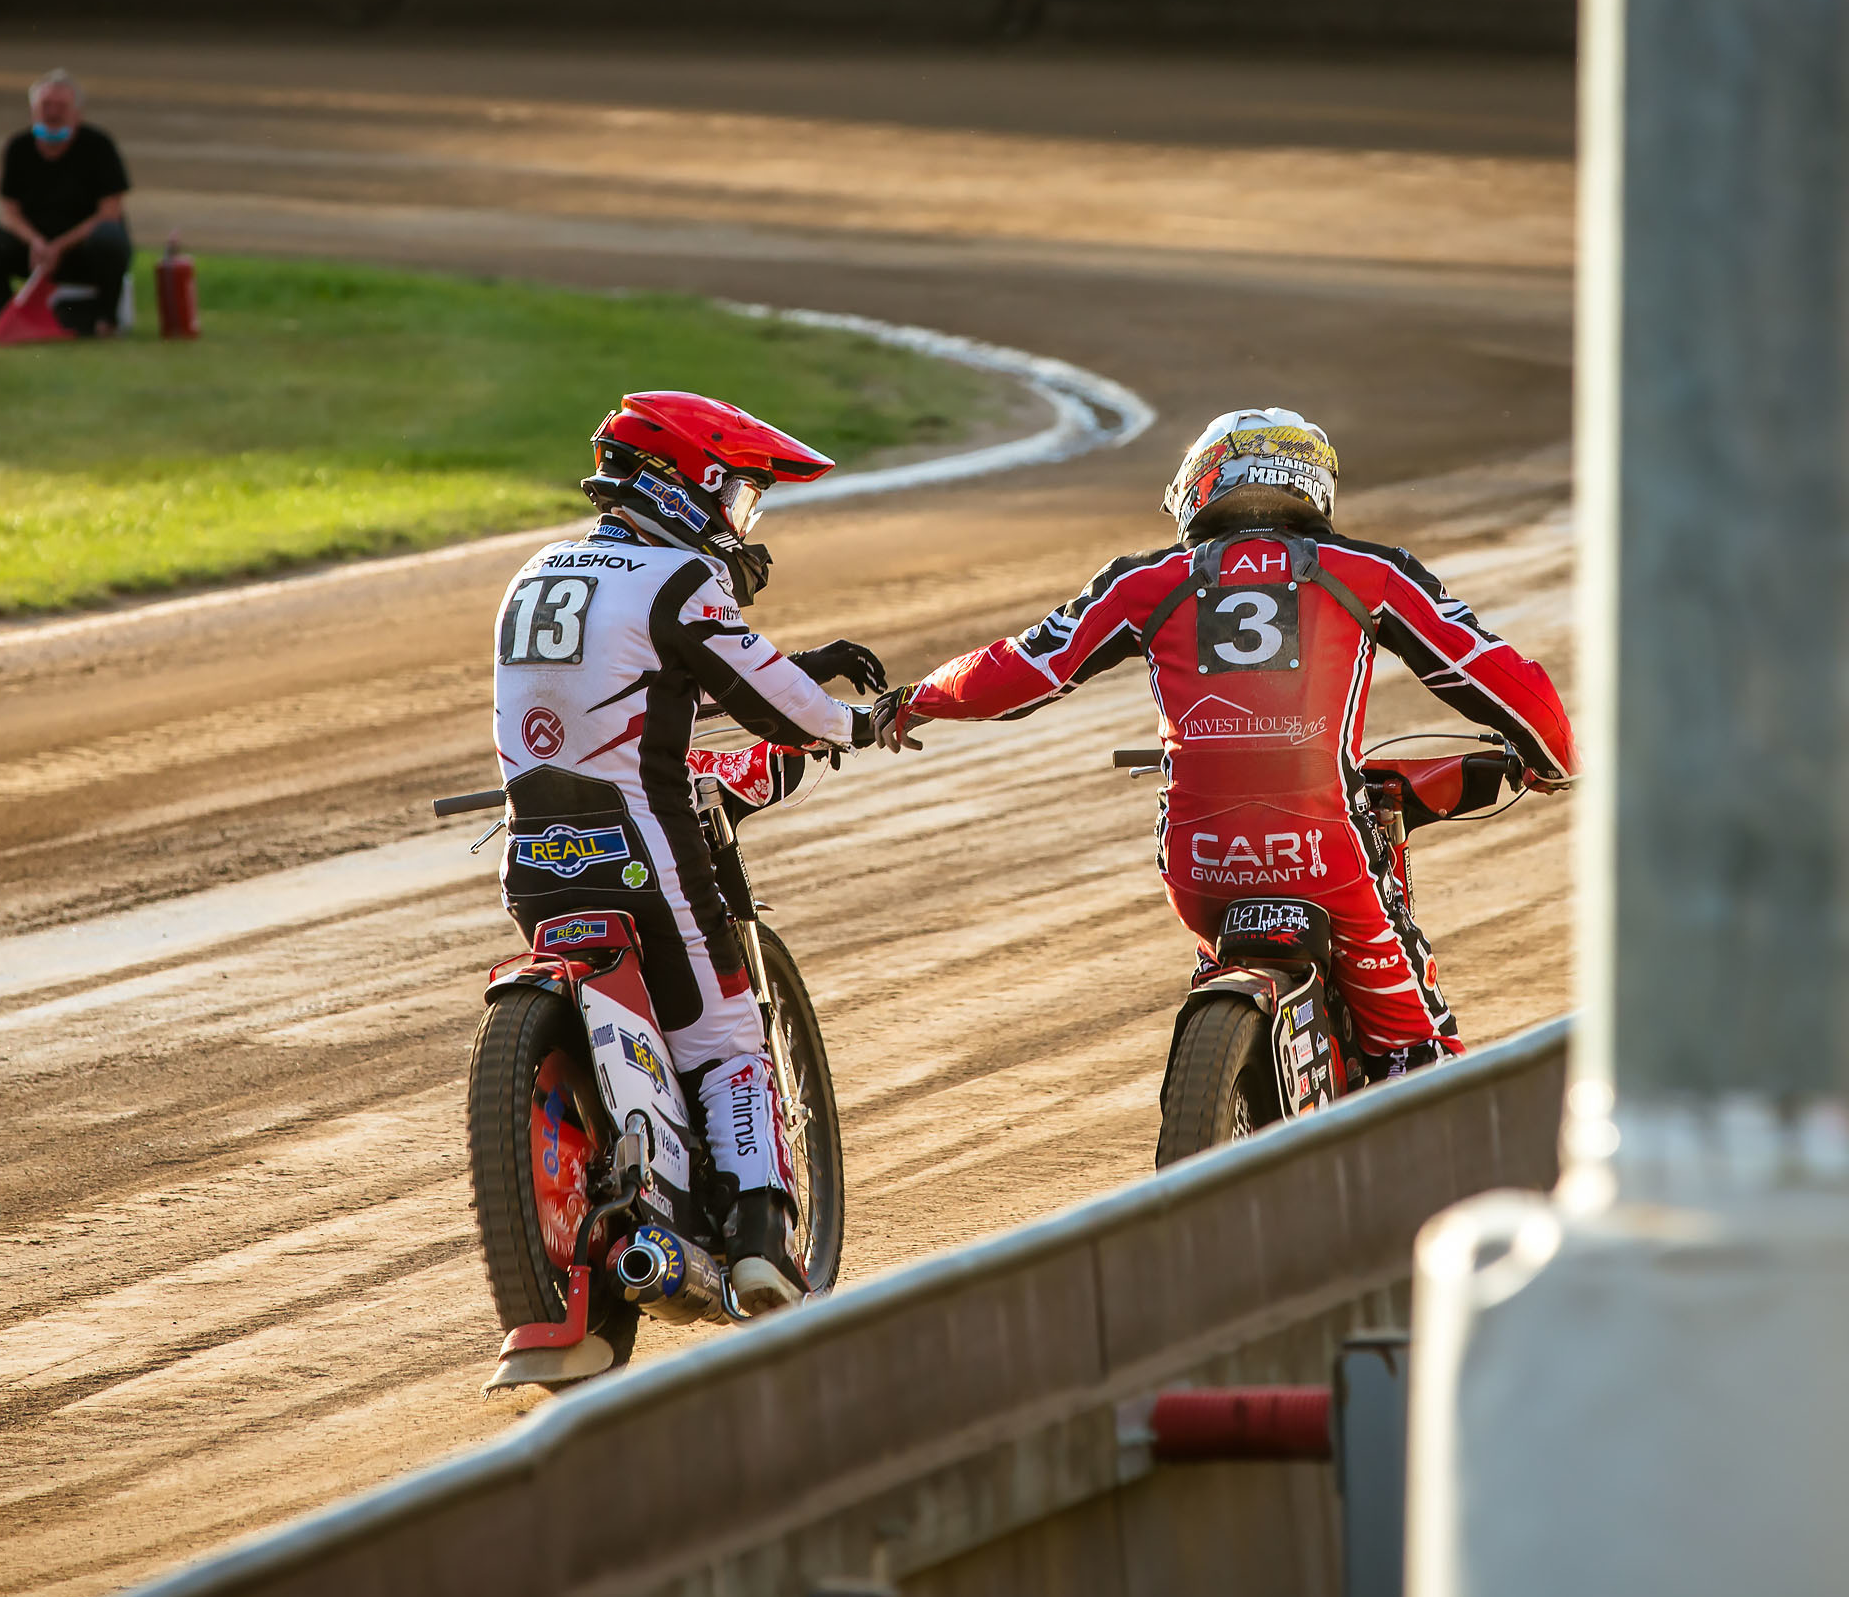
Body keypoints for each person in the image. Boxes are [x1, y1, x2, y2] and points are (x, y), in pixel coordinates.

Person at [868, 407, 1578, 1080]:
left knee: (1213, 944)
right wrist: (1556, 760)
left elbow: (1023, 669)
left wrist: (917, 698)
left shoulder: (1143, 581)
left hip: (1199, 864)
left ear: (1203, 484)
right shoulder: (1373, 571)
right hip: (1324, 851)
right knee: (1420, 1052)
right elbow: (1493, 673)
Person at [493, 390, 886, 1316]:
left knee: (648, 1009)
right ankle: (758, 1241)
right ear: (688, 485)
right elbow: (774, 706)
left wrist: (803, 660)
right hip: (644, 850)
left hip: (534, 856)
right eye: (741, 496)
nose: (743, 521)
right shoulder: (675, 578)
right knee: (725, 1033)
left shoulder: (537, 573)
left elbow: (641, 685)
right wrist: (856, 722)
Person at [0, 69, 132, 337]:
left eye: (61, 106)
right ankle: (7, 316)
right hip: (34, 253)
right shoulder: (18, 148)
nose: (52, 113)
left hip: (82, 251)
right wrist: (36, 243)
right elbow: (9, 212)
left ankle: (106, 320)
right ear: (33, 111)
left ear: (77, 112)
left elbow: (110, 212)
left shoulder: (99, 146)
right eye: (45, 105)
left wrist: (59, 246)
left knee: (109, 237)